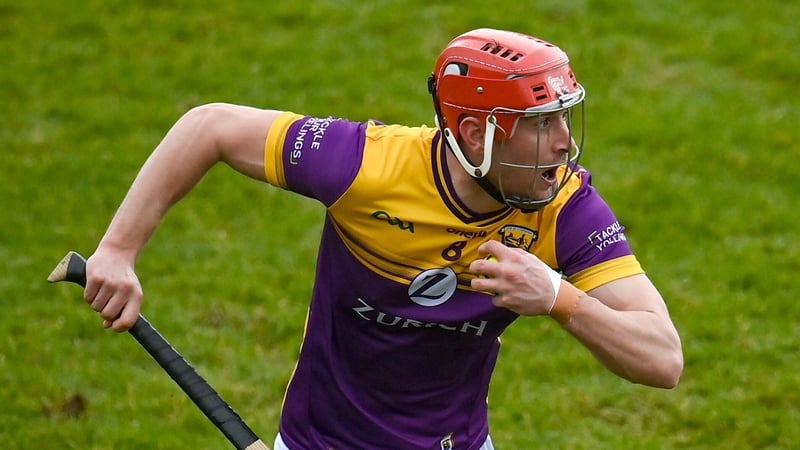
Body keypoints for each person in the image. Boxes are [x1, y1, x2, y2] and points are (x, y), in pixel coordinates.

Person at [82, 28, 683, 449]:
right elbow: (210, 126)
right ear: (477, 135)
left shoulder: (563, 206)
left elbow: (662, 359)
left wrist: (556, 296)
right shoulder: (367, 165)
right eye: (540, 124)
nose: (564, 143)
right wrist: (117, 251)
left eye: (563, 118)